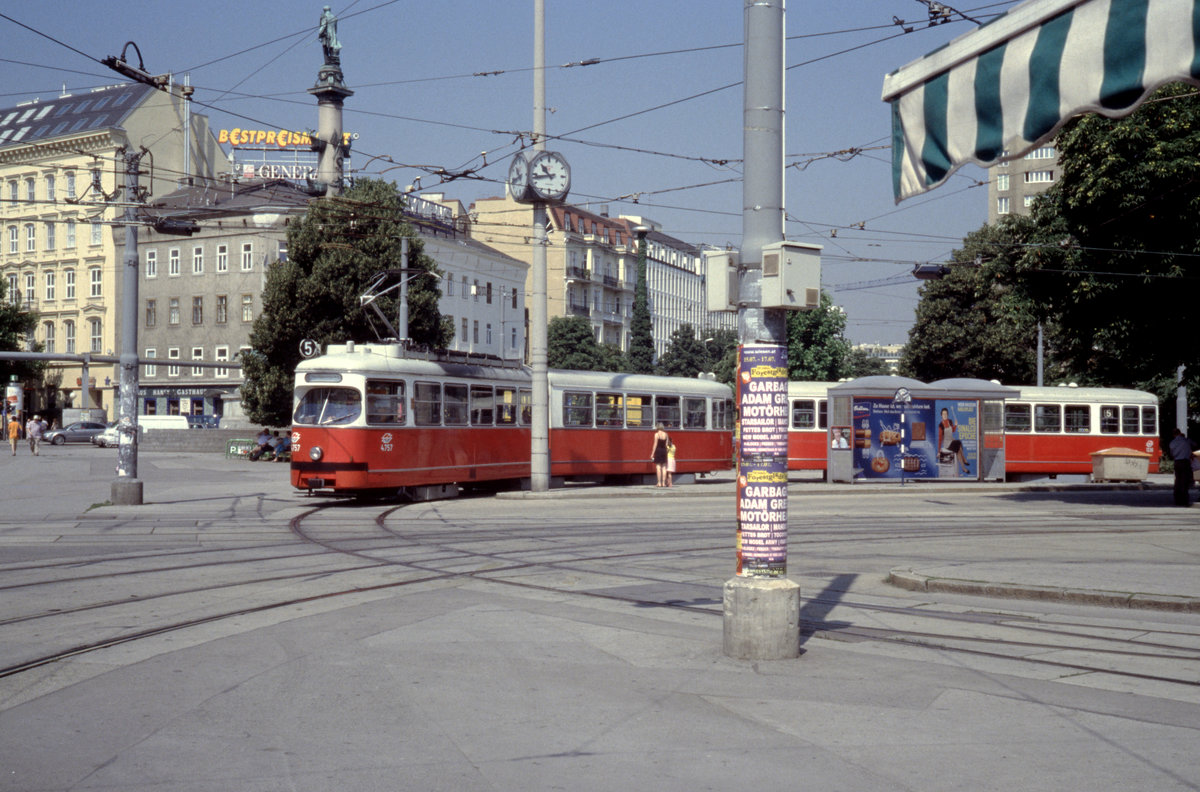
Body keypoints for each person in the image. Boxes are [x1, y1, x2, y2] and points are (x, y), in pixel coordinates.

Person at [1168, 428, 1198, 506]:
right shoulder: (1186, 440)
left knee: (1178, 480)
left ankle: (1177, 499)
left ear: (1174, 435)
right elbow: (1195, 445)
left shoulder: (1172, 443)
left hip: (1177, 462)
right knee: (1185, 482)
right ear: (1180, 433)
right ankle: (1184, 500)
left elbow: (1172, 454)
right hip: (1185, 462)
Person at [938, 407, 969, 475]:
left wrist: (955, 425)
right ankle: (964, 460)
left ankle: (963, 468)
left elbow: (953, 430)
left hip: (952, 441)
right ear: (941, 415)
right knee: (958, 442)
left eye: (946, 414)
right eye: (943, 414)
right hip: (947, 444)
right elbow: (940, 439)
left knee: (958, 451)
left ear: (947, 415)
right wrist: (938, 451)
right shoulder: (941, 425)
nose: (945, 415)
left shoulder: (950, 421)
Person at [650, 423, 671, 488]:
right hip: (664, 451)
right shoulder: (666, 434)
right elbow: (667, 444)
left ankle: (659, 483)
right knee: (664, 467)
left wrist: (652, 454)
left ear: (657, 427)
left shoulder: (656, 434)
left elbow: (655, 444)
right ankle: (663, 483)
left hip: (658, 451)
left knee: (658, 467)